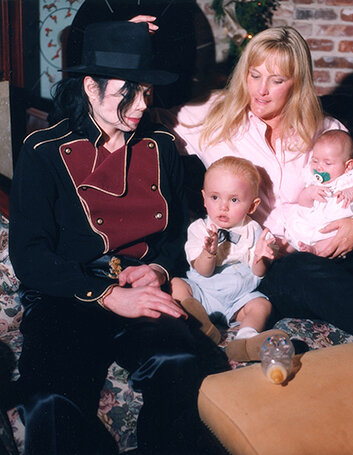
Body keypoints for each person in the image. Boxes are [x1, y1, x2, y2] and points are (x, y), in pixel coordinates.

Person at [153, 26, 353, 368]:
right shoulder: (216, 114)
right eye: (254, 75)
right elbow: (144, 119)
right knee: (306, 272)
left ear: (296, 84)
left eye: (276, 80)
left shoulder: (324, 129)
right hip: (276, 263)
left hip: (344, 246)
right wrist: (134, 44)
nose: (261, 90)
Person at [9, 21, 217, 455]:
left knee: (179, 361)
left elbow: (177, 231)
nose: (142, 105)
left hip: (140, 286)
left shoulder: (162, 145)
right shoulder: (43, 150)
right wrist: (105, 294)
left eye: (147, 92)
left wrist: (157, 268)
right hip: (67, 293)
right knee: (49, 398)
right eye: (128, 92)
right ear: (91, 87)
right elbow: (29, 256)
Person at [171, 156, 286, 362]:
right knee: (176, 285)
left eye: (234, 200)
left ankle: (245, 340)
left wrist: (260, 257)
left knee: (262, 305)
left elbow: (258, 273)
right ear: (204, 198)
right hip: (204, 292)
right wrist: (209, 253)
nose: (223, 207)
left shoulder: (253, 230)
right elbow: (203, 271)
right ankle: (201, 326)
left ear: (252, 206)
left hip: (238, 299)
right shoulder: (199, 229)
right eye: (215, 197)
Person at [270, 129, 353, 254]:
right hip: (313, 220)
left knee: (334, 236)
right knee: (294, 227)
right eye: (315, 160)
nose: (319, 167)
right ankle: (283, 252)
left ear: (348, 166)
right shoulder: (314, 179)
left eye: (327, 163)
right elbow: (303, 204)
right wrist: (309, 193)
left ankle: (316, 250)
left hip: (338, 223)